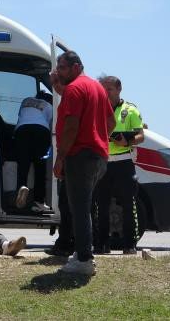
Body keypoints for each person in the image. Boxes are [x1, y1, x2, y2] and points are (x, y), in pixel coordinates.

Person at [53, 51, 115, 275]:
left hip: (80, 156)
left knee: (79, 209)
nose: (57, 72)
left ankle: (84, 260)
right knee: (84, 207)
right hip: (98, 156)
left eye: (61, 67)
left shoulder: (74, 89)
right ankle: (82, 253)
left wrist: (60, 157)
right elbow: (111, 121)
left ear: (76, 67)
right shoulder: (96, 87)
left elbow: (71, 125)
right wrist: (98, 137)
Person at [93, 75, 145, 255]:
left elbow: (141, 136)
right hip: (104, 163)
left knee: (129, 204)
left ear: (119, 89)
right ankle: (101, 244)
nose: (106, 93)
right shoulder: (97, 109)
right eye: (103, 89)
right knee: (102, 204)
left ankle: (130, 245)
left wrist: (127, 141)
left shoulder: (130, 110)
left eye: (110, 89)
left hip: (124, 162)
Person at [44, 70, 75, 257]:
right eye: (53, 83)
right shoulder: (64, 101)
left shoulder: (72, 98)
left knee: (71, 205)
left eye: (57, 82)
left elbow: (70, 131)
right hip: (69, 158)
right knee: (65, 204)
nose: (55, 86)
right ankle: (64, 242)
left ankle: (70, 244)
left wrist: (60, 159)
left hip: (73, 159)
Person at [14, 91, 53, 212]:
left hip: (21, 130)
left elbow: (20, 115)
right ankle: (39, 201)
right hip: (41, 131)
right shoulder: (49, 106)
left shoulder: (26, 101)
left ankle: (21, 188)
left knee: (23, 164)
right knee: (39, 167)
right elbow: (49, 123)